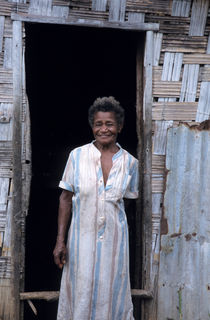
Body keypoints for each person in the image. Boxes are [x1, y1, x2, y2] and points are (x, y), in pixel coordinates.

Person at [53, 96, 139, 320]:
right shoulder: (77, 156)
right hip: (81, 241)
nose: (104, 129)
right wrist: (60, 240)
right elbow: (65, 198)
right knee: (79, 291)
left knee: (112, 292)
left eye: (109, 123)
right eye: (99, 124)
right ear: (93, 126)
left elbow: (126, 202)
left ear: (119, 126)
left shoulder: (130, 163)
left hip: (115, 243)